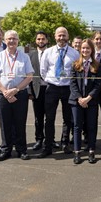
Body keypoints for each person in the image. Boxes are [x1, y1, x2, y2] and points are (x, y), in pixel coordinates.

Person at [0, 30, 34, 161]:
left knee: (20, 123)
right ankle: (6, 150)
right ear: (5, 40)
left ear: (18, 40)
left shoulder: (25, 57)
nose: (12, 41)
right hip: (2, 96)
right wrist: (5, 92)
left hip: (20, 95)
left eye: (14, 38)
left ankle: (22, 150)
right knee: (4, 123)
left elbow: (29, 77)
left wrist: (15, 90)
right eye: (9, 39)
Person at [38, 27, 80, 158]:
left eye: (64, 35)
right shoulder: (48, 52)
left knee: (68, 119)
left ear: (68, 37)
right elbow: (43, 71)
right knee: (49, 118)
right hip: (52, 88)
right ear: (55, 37)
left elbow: (77, 71)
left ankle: (65, 144)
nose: (61, 38)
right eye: (59, 36)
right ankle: (48, 146)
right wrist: (52, 80)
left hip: (68, 88)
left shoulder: (74, 53)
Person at [69, 39, 101, 164]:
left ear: (92, 50)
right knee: (77, 127)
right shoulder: (75, 64)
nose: (85, 50)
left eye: (88, 48)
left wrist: (89, 98)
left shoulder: (97, 65)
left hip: (91, 101)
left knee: (91, 126)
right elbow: (72, 83)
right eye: (83, 48)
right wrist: (79, 98)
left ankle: (91, 152)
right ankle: (77, 152)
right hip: (76, 101)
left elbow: (98, 84)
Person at [28, 31, 59, 151]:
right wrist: (29, 91)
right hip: (37, 90)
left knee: (50, 117)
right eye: (39, 39)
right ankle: (39, 139)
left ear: (47, 40)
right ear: (36, 41)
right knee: (38, 117)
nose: (41, 41)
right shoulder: (30, 55)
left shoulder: (52, 53)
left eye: (43, 39)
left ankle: (50, 139)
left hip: (50, 88)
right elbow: (28, 75)